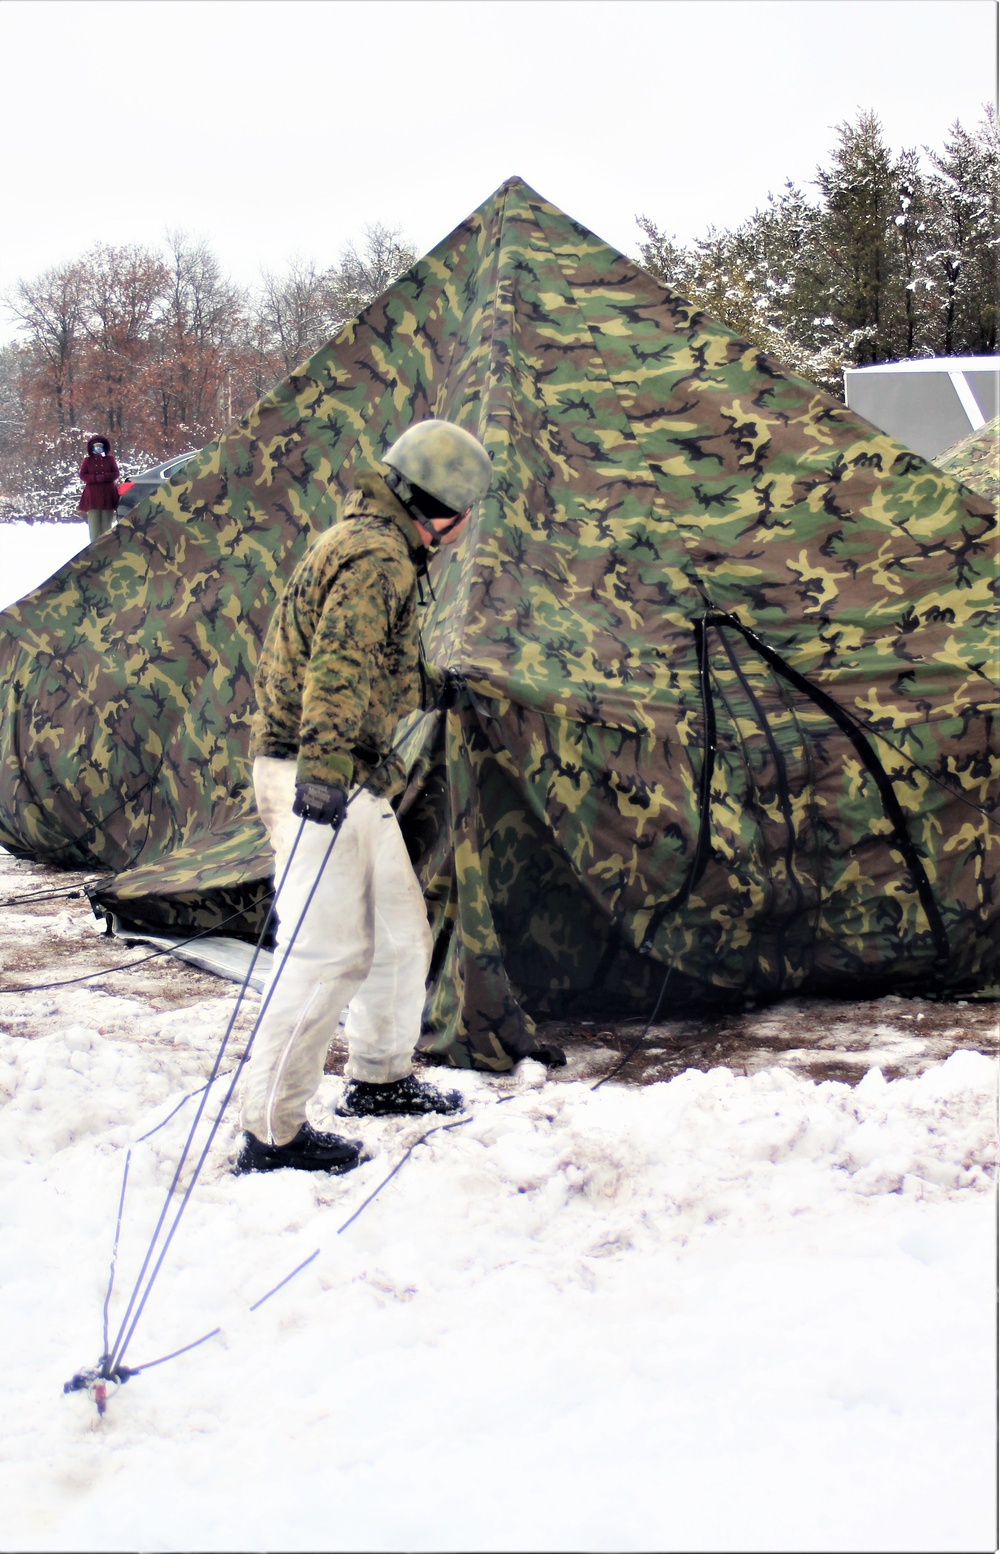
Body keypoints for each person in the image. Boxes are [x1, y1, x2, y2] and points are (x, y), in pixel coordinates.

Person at [236, 419, 493, 1176]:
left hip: (348, 773)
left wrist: (431, 688)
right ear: (435, 504)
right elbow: (338, 665)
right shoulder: (378, 556)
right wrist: (321, 767)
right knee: (326, 958)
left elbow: (373, 660)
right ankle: (271, 1134)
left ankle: (379, 1076)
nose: (467, 523)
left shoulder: (377, 543)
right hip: (315, 774)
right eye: (464, 509)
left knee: (401, 931)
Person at [78, 436, 120, 543]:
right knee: (94, 524)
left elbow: (116, 473)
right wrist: (93, 478)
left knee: (107, 524)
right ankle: (95, 547)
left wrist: (105, 477)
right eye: (95, 446)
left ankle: (106, 546)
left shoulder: (110, 459)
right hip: (92, 497)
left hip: (108, 495)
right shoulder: (87, 461)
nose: (98, 449)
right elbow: (82, 475)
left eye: (100, 446)